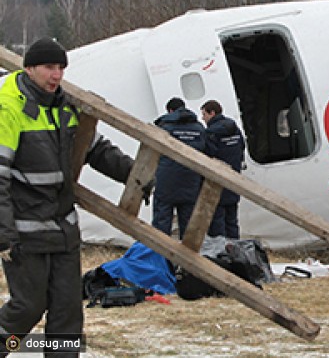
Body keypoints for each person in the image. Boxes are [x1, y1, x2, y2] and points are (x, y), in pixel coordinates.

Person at [0, 38, 134, 355]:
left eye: (61, 68)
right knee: (29, 307)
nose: (56, 75)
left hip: (64, 230)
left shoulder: (66, 106)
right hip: (26, 231)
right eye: (49, 67)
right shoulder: (8, 108)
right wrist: (3, 234)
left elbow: (96, 149)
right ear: (29, 68)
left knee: (67, 313)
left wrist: (140, 177)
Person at [152, 97, 208, 238]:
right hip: (190, 180)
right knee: (189, 224)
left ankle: (160, 255)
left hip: (166, 180)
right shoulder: (199, 128)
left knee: (162, 222)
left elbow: (153, 152)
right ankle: (186, 257)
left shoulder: (164, 127)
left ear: (170, 111)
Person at [200, 100, 245, 242]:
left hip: (217, 183)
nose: (203, 118)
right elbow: (241, 147)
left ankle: (221, 253)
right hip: (234, 179)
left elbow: (209, 154)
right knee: (232, 220)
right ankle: (235, 250)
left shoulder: (211, 133)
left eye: (204, 114)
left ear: (212, 113)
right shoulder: (234, 128)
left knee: (217, 222)